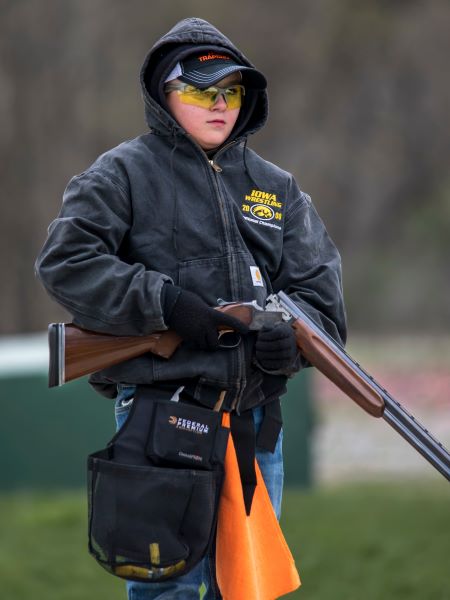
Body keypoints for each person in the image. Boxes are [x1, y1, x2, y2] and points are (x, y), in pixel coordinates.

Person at [36, 16, 346, 600]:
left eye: (231, 92)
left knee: (247, 590)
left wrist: (286, 338)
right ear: (164, 93)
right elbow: (66, 262)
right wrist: (168, 304)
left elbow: (322, 301)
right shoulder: (121, 172)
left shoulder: (276, 188)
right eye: (203, 90)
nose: (220, 104)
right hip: (159, 419)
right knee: (165, 591)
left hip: (254, 426)